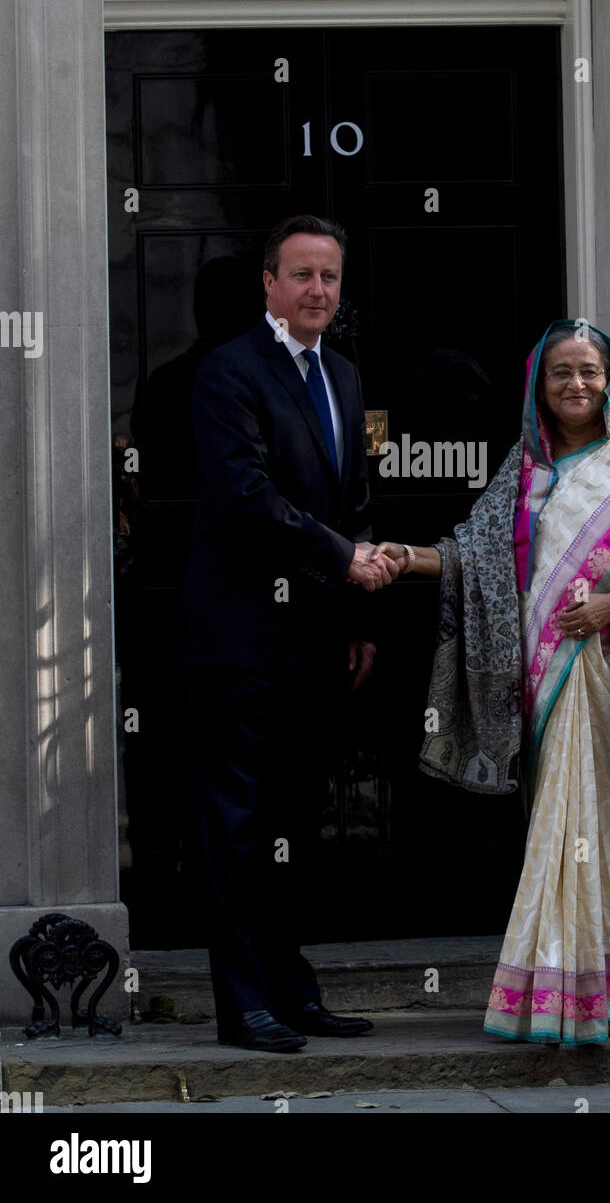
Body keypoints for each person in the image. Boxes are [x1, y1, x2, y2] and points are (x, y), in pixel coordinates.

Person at [372, 319, 610, 1045]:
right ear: (540, 384)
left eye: (589, 370)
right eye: (561, 372)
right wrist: (405, 556)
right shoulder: (524, 468)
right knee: (558, 830)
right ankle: (562, 992)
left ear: (608, 377)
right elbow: (475, 557)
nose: (576, 384)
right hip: (543, 674)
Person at [181, 214, 398, 1054]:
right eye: (302, 275)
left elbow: (354, 501)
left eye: (330, 278)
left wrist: (361, 614)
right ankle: (243, 1005)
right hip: (236, 639)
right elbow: (245, 496)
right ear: (268, 283)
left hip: (316, 639)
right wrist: (343, 559)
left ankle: (289, 986)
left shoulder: (342, 374)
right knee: (233, 825)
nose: (318, 291)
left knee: (293, 826)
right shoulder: (227, 373)